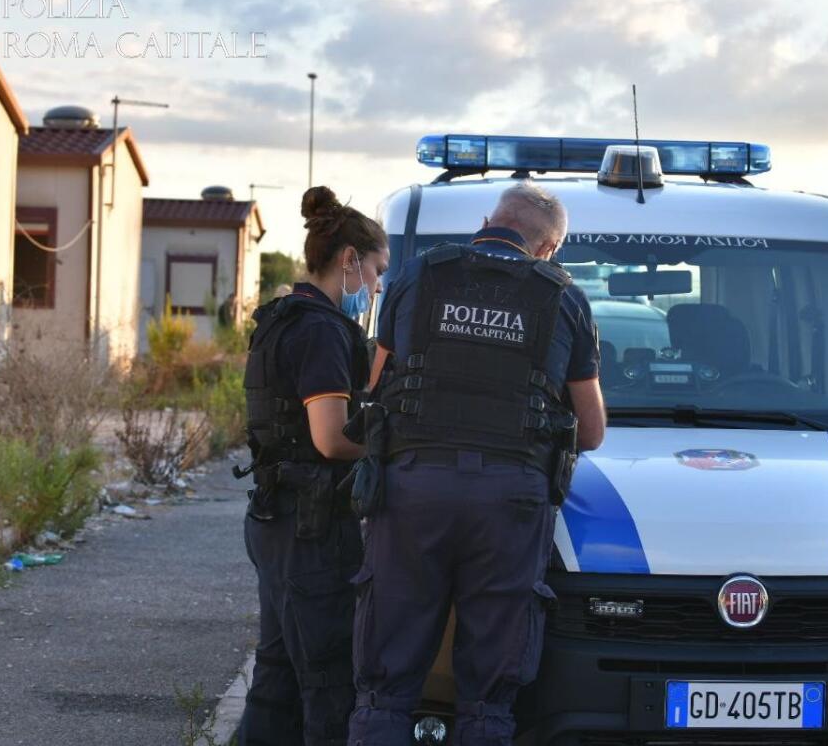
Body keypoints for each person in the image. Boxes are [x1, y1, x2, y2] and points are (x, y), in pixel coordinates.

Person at [348, 182, 606, 746]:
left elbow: (376, 388)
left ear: (489, 219)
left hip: (412, 489)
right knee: (489, 694)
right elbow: (591, 431)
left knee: (386, 683)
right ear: (548, 248)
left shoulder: (418, 275)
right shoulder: (562, 296)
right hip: (510, 503)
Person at [236, 186, 389, 746]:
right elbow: (329, 439)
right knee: (327, 683)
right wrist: (389, 444)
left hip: (277, 517)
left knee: (276, 678)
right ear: (349, 260)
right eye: (376, 270)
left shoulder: (283, 315)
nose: (376, 285)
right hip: (312, 532)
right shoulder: (322, 330)